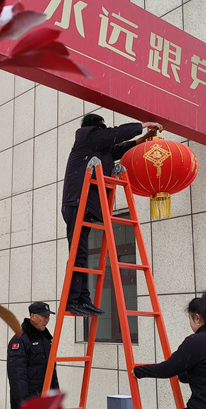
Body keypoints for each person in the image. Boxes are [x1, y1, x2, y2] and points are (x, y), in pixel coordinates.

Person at [61, 113, 161, 317]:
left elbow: (118, 148)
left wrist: (142, 139)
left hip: (84, 205)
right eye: (102, 128)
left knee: (82, 253)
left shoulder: (97, 147)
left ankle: (83, 298)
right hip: (77, 202)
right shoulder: (86, 136)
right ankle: (72, 300)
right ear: (94, 128)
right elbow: (114, 135)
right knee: (78, 253)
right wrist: (142, 124)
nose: (105, 131)